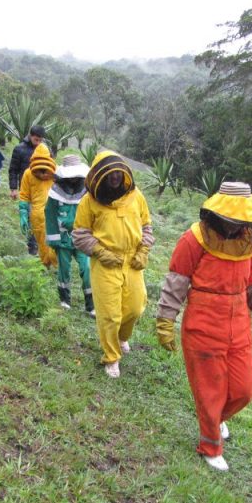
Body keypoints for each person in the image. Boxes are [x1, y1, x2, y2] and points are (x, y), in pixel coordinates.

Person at [155, 181, 252, 472]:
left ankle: (216, 420)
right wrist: (165, 320)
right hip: (203, 322)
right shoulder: (193, 239)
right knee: (211, 390)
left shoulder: (247, 243)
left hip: (238, 324)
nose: (241, 225)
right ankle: (210, 445)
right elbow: (176, 282)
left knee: (243, 390)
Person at [72, 151, 154, 378]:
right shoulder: (89, 202)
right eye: (111, 174)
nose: (116, 177)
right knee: (109, 314)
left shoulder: (136, 196)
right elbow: (80, 234)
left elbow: (147, 226)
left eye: (118, 172)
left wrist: (143, 250)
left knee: (136, 307)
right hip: (105, 263)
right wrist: (100, 252)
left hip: (132, 261)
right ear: (101, 175)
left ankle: (122, 337)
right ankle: (112, 358)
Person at [45, 155, 94, 316]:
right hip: (63, 238)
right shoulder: (55, 191)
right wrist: (54, 240)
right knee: (63, 269)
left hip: (82, 238)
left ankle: (91, 305)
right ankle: (64, 300)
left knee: (87, 268)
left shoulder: (87, 191)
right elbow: (50, 215)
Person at [9, 125, 46, 256]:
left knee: (42, 219)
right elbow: (13, 169)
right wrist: (13, 188)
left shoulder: (44, 150)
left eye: (41, 140)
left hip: (42, 191)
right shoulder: (19, 149)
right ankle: (33, 248)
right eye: (36, 140)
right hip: (27, 190)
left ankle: (41, 246)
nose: (38, 143)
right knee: (31, 219)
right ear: (30, 136)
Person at [19, 144, 58, 267]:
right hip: (38, 215)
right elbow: (24, 195)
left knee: (54, 242)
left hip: (54, 213)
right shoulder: (28, 174)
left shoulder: (56, 173)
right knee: (42, 242)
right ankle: (46, 265)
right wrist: (23, 213)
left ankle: (56, 265)